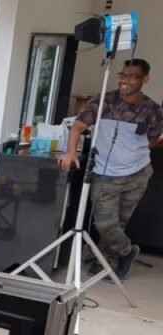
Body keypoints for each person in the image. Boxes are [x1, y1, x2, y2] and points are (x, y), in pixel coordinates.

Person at [58, 59, 163, 281]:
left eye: (133, 76)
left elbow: (152, 140)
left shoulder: (153, 109)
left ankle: (104, 261)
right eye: (123, 75)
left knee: (119, 222)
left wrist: (130, 152)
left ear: (145, 79)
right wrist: (70, 152)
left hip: (138, 173)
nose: (126, 80)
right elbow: (78, 126)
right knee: (105, 223)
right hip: (105, 173)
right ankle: (127, 251)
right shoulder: (104, 101)